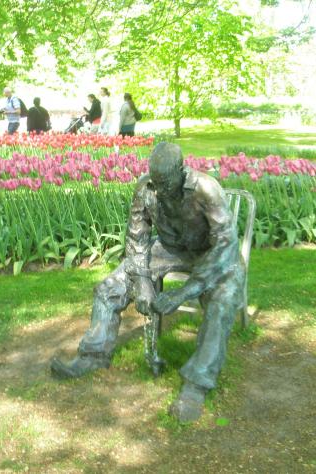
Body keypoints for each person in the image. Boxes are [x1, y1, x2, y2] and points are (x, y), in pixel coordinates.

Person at [51, 142, 245, 423]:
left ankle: (196, 386)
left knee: (222, 301)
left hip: (212, 254)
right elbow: (137, 239)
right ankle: (93, 355)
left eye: (166, 183)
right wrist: (142, 281)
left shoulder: (206, 188)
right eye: (156, 182)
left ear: (181, 171)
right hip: (166, 249)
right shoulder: (146, 188)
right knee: (108, 288)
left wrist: (184, 292)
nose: (160, 191)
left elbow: (225, 244)